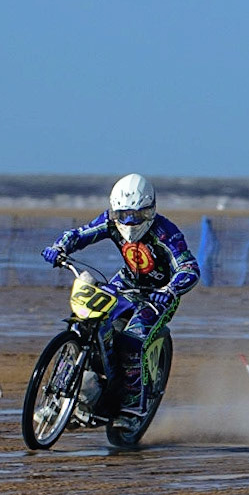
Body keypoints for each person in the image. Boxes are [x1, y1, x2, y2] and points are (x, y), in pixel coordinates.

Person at [42, 173, 200, 428]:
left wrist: (171, 289)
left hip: (159, 294)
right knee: (88, 322)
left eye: (137, 215)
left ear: (150, 210)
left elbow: (189, 268)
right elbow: (81, 233)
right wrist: (59, 248)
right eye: (122, 214)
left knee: (131, 342)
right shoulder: (109, 222)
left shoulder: (166, 232)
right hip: (124, 283)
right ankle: (61, 397)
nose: (129, 221)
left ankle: (131, 406)